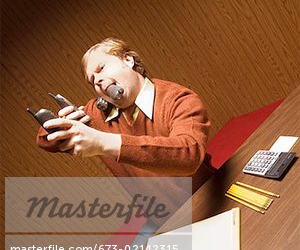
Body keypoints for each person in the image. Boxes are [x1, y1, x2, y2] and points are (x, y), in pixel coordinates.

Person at [37, 37, 212, 193]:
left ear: (128, 60)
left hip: (205, 199)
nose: (97, 80)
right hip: (161, 217)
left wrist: (102, 142)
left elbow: (190, 155)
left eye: (102, 68)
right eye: (92, 80)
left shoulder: (178, 99)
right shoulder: (97, 114)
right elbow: (45, 142)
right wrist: (64, 124)